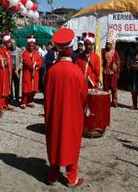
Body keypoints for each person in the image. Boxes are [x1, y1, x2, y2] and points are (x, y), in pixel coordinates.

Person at [44, 27, 88, 187]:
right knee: (71, 143)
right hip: (72, 115)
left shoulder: (51, 71)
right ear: (71, 49)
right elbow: (84, 97)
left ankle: (53, 176)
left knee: (55, 141)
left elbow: (46, 94)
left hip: (54, 115)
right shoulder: (77, 72)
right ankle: (71, 178)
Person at [21, 35, 42, 109]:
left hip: (35, 73)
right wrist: (34, 64)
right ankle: (23, 102)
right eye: (30, 46)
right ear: (28, 46)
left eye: (33, 46)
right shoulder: (25, 53)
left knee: (33, 89)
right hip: (27, 73)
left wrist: (37, 65)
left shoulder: (36, 53)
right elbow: (26, 62)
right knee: (26, 88)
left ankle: (30, 101)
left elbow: (40, 61)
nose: (31, 47)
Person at [101, 30, 120, 107]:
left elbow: (118, 63)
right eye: (106, 44)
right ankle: (106, 101)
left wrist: (117, 72)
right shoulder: (103, 51)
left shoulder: (115, 52)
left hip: (113, 73)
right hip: (106, 72)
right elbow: (102, 60)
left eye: (109, 44)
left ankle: (114, 101)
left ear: (112, 45)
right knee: (106, 87)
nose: (107, 45)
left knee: (113, 87)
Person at [0, 33, 14, 111]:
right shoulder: (2, 51)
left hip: (9, 73)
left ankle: (5, 104)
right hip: (4, 73)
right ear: (5, 43)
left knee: (8, 89)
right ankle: (0, 106)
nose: (10, 44)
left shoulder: (8, 51)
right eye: (9, 42)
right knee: (4, 89)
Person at [11, 39, 22, 105]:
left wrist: (18, 68)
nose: (12, 45)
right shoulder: (9, 50)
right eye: (11, 43)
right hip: (10, 69)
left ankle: (17, 97)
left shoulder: (19, 50)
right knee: (10, 84)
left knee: (17, 84)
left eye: (13, 43)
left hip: (17, 69)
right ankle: (11, 96)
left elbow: (21, 61)